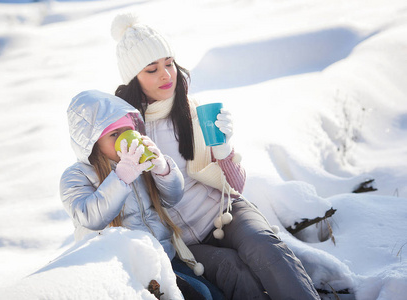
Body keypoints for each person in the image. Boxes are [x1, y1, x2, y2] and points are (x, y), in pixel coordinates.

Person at [110, 13, 321, 300]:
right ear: (134, 78)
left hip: (225, 212)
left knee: (265, 248)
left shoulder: (193, 111)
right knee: (234, 271)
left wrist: (224, 150)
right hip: (183, 241)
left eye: (169, 64)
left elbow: (236, 186)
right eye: (152, 69)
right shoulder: (127, 131)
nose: (166, 75)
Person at [60, 89, 217, 299]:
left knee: (211, 292)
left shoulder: (140, 160)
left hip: (164, 256)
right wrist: (120, 179)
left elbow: (172, 198)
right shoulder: (76, 176)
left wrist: (163, 170)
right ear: (92, 141)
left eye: (127, 130)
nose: (125, 139)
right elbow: (91, 218)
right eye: (114, 135)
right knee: (200, 294)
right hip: (126, 267)